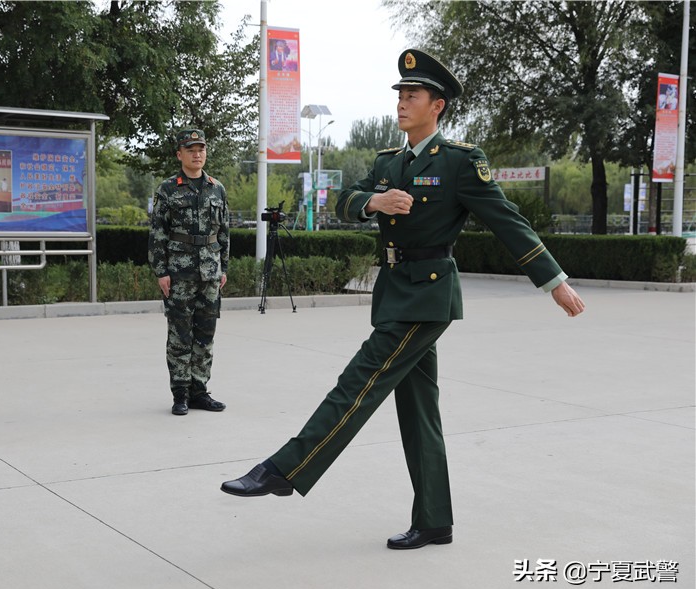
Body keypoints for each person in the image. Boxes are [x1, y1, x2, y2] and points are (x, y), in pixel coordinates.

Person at [220, 49, 586, 550]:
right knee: (419, 413)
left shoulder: (460, 161)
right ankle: (434, 520)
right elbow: (346, 199)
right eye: (400, 94)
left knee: (358, 382)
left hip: (428, 295)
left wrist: (554, 281)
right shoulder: (388, 162)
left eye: (412, 95)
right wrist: (376, 200)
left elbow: (507, 221)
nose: (401, 102)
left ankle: (285, 469)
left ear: (437, 106)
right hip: (395, 291)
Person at [148, 129, 230, 416]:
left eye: (201, 149)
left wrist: (224, 269)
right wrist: (161, 271)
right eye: (191, 149)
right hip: (179, 273)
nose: (197, 154)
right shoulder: (168, 189)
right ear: (179, 154)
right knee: (180, 335)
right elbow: (158, 233)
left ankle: (200, 391)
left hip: (209, 272)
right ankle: (180, 394)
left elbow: (224, 232)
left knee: (205, 335)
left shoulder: (216, 188)